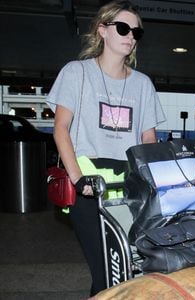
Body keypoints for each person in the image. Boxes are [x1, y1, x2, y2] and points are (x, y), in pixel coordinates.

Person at [46, 0, 165, 296]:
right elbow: (60, 129)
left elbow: (148, 139)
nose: (130, 35)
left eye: (135, 32)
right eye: (123, 28)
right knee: (107, 269)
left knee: (124, 269)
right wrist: (77, 179)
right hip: (88, 182)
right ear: (102, 30)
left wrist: (158, 182)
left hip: (129, 183)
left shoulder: (143, 84)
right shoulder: (77, 72)